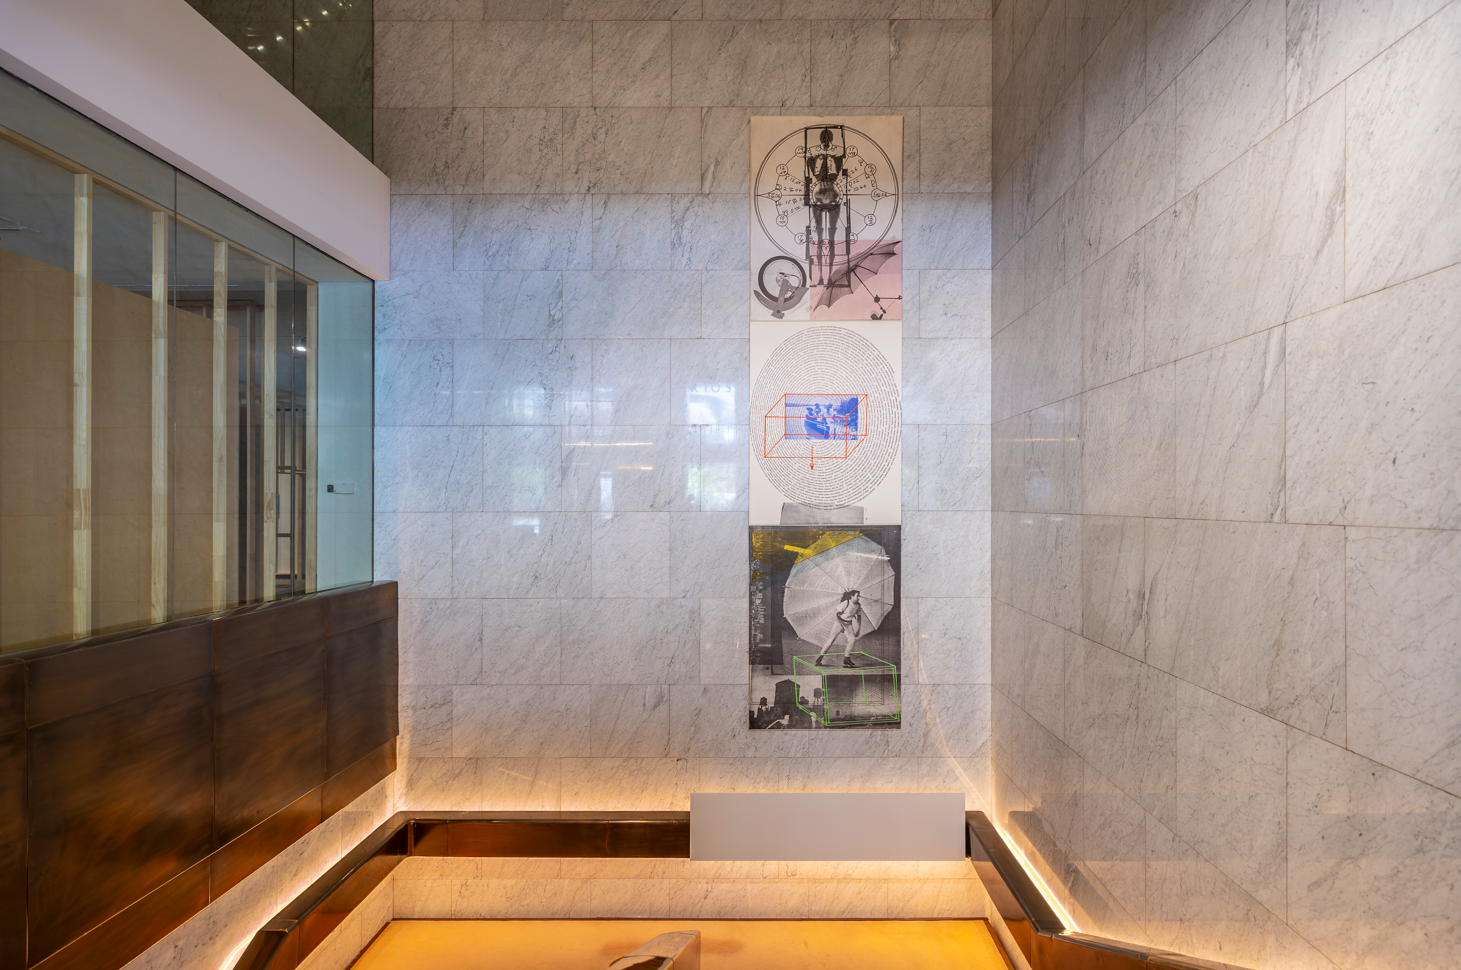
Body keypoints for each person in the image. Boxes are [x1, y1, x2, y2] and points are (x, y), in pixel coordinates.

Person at [804, 127, 846, 286]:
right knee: (820, 237)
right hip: (819, 197)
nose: (826, 142)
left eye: (828, 139)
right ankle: (821, 276)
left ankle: (829, 277)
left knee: (831, 237)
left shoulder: (837, 159)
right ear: (821, 140)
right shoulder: (813, 160)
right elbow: (810, 176)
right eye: (824, 139)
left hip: (833, 197)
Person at [815, 589, 864, 668]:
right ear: (852, 596)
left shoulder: (858, 606)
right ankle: (820, 657)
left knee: (852, 639)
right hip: (839, 623)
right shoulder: (846, 603)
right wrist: (840, 625)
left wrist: (858, 629)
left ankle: (846, 658)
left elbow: (859, 618)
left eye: (859, 596)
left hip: (848, 624)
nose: (859, 597)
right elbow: (836, 614)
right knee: (831, 641)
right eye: (857, 596)